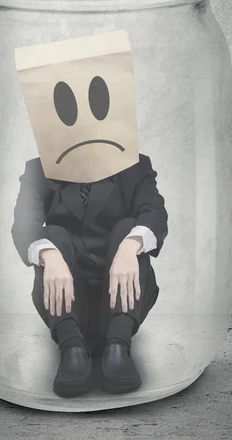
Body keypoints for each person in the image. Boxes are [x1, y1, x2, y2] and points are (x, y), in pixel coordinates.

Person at [11, 151, 168, 397]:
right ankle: (71, 348)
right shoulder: (39, 170)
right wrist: (49, 256)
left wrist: (130, 246)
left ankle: (118, 346)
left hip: (121, 301)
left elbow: (154, 213)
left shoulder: (135, 166)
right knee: (50, 235)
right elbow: (23, 224)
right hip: (71, 304)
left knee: (130, 229)